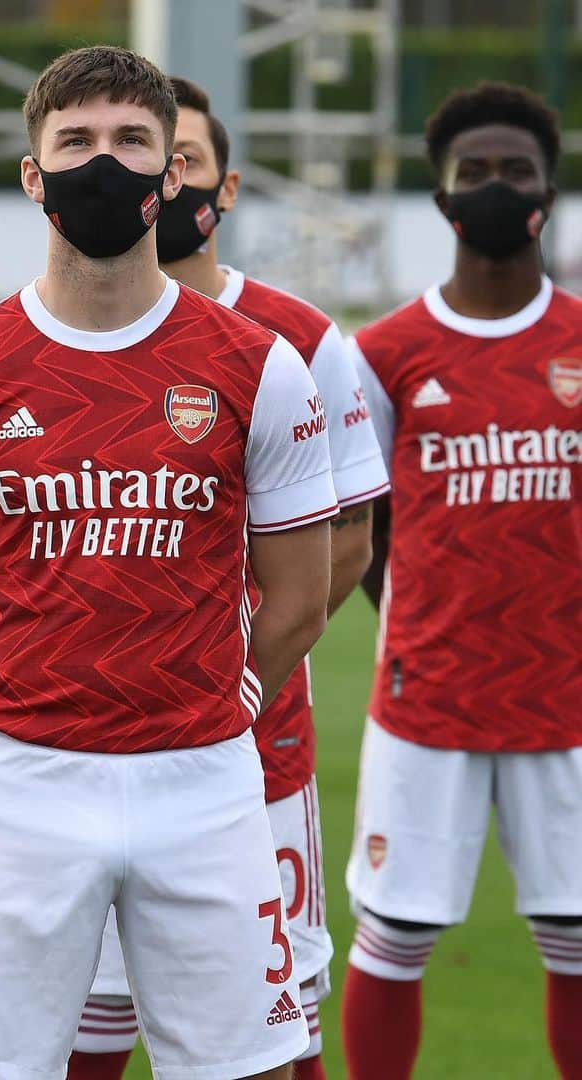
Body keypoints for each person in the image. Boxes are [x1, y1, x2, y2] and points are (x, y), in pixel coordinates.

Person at [0, 45, 340, 1080]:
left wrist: (216, 705)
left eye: (133, 141)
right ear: (31, 173)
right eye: (77, 142)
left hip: (206, 776)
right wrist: (22, 726)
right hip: (24, 781)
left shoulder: (257, 364)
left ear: (171, 174)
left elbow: (302, 599)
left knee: (253, 1068)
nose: (107, 162)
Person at [68, 76, 389, 1080]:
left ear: (217, 185)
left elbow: (348, 541)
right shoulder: (44, 340)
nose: (144, 177)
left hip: (254, 743)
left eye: (177, 158)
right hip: (79, 749)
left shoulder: (304, 340)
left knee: (274, 1028)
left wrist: (237, 667)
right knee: (81, 1026)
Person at [340, 82, 582, 1080]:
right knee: (392, 940)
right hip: (427, 700)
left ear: (547, 191)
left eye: (513, 172)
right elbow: (364, 534)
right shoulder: (382, 355)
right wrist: (431, 615)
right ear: (440, 197)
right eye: (470, 173)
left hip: (567, 700)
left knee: (574, 942)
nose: (493, 188)